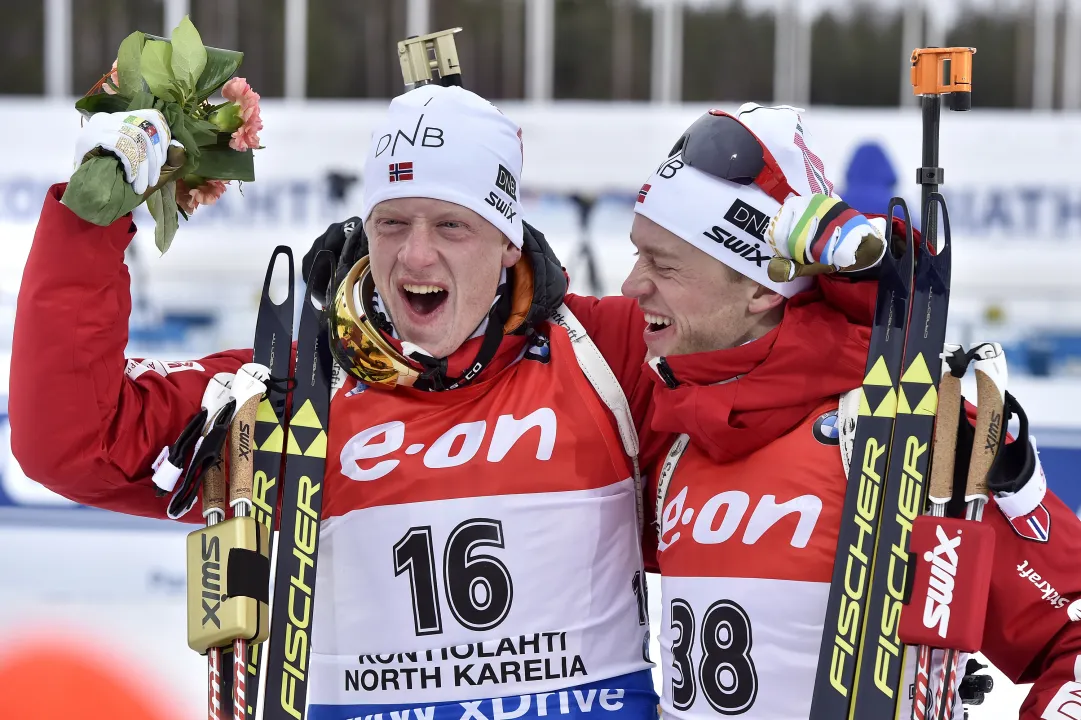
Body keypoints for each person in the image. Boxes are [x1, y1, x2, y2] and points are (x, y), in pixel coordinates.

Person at [10, 85, 662, 719]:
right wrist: (94, 213)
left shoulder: (607, 355)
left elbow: (753, 386)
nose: (415, 253)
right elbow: (75, 441)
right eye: (392, 222)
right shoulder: (294, 390)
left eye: (452, 226)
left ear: (507, 240)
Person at [609, 104, 1081, 719]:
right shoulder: (673, 422)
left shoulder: (901, 429)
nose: (631, 285)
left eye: (664, 265)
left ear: (760, 287)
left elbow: (1069, 631)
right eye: (639, 255)